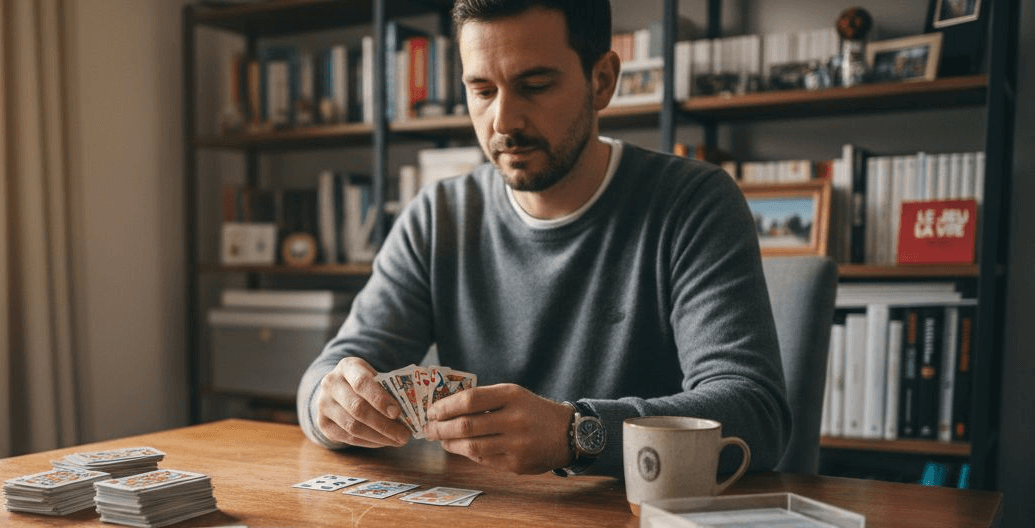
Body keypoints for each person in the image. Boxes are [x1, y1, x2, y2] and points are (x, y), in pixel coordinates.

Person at [298, 0, 789, 484]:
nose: (503, 121)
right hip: (490, 520)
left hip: (637, 520)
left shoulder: (694, 202)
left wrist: (576, 433)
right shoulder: (437, 216)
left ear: (602, 81)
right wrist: (329, 402)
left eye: (534, 86)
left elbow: (755, 413)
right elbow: (330, 371)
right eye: (482, 90)